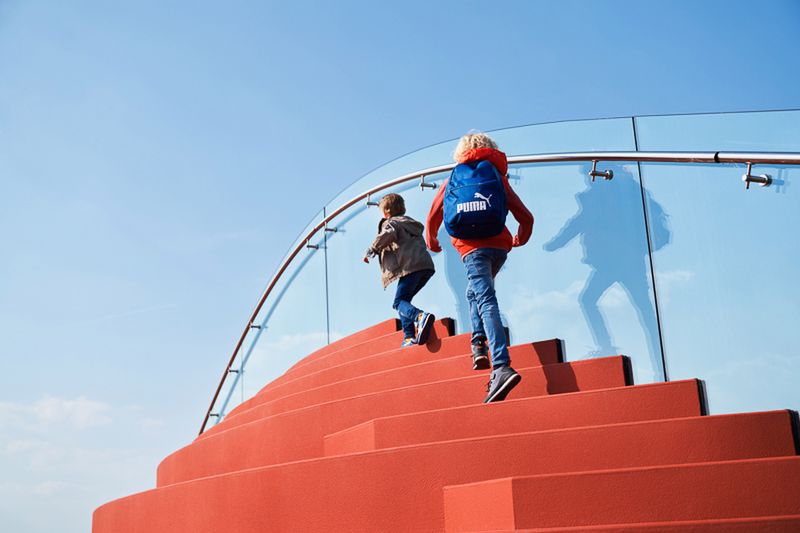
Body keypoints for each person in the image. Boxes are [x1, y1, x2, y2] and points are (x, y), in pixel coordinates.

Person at [426, 132, 533, 402]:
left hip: (471, 250)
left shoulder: (455, 177)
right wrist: (522, 235)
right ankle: (478, 345)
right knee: (474, 293)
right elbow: (526, 216)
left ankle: (501, 365)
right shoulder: (497, 176)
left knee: (485, 299)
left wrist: (433, 240)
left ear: (460, 152)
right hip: (498, 249)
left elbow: (434, 213)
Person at [364, 193, 436, 347]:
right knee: (404, 301)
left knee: (398, 302)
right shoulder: (409, 224)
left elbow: (386, 235)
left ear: (386, 212)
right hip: (425, 268)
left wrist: (372, 250)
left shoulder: (391, 223)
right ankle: (409, 337)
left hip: (409, 268)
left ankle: (419, 317)